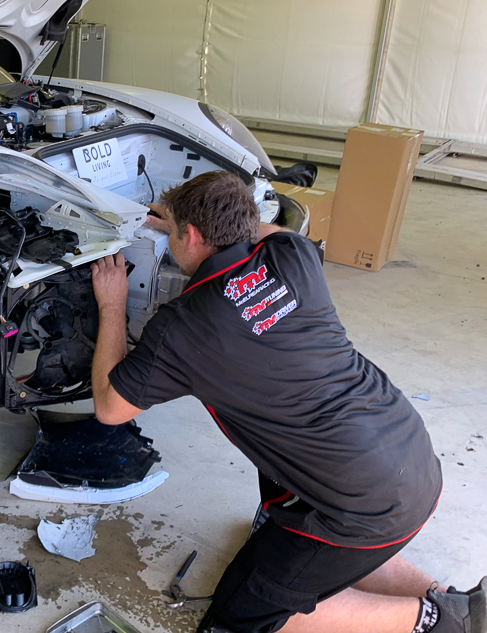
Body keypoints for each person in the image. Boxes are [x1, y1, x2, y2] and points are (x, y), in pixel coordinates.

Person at [89, 170, 485, 633]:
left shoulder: (182, 327)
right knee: (331, 549)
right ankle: (458, 602)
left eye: (177, 229)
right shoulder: (292, 254)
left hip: (358, 505)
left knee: (242, 617)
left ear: (191, 236)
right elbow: (264, 230)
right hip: (408, 456)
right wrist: (185, 220)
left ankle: (438, 621)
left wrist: (112, 305)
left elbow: (110, 408)